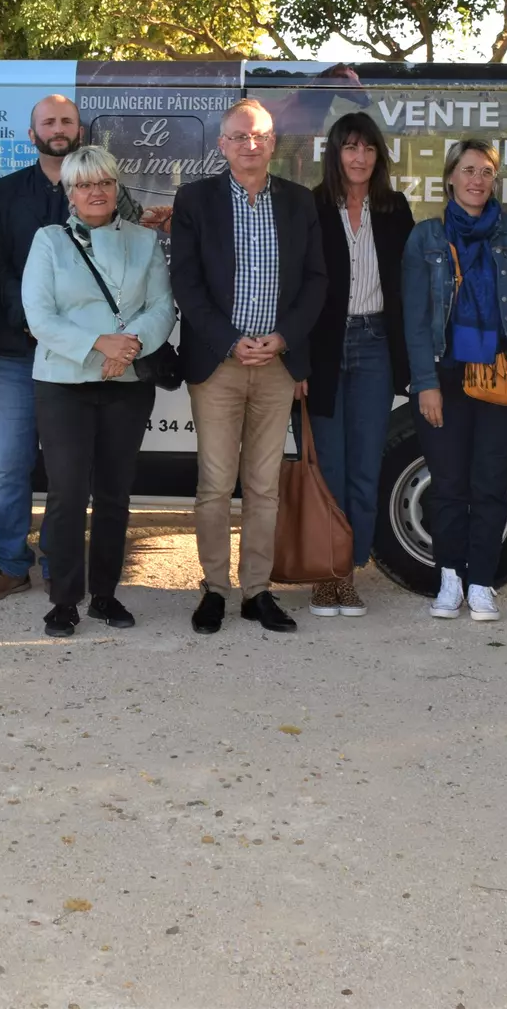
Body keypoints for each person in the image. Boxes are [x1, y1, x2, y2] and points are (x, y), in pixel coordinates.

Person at [0, 95, 159, 604]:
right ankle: (11, 564)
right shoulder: (6, 193)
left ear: (81, 130)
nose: (58, 128)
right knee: (10, 465)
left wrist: (109, 345)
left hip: (101, 361)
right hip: (18, 350)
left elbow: (132, 281)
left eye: (67, 121)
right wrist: (36, 326)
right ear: (31, 133)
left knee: (70, 477)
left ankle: (63, 566)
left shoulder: (111, 197)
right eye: (48, 122)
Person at [169, 97, 326, 635]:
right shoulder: (195, 200)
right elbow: (185, 283)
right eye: (239, 136)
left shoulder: (299, 202)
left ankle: (257, 591)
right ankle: (214, 588)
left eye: (259, 136)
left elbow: (315, 281)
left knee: (263, 486)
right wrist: (233, 341)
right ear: (222, 145)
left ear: (273, 143)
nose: (249, 145)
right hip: (220, 362)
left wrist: (282, 339)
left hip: (279, 363)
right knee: (215, 484)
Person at [21, 145, 175, 637]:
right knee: (67, 492)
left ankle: (105, 595)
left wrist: (125, 349)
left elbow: (162, 308)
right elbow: (40, 316)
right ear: (69, 191)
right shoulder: (48, 241)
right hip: (64, 383)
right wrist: (96, 345)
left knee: (114, 493)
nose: (95, 192)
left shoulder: (144, 241)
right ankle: (64, 599)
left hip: (126, 384)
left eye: (104, 182)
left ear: (116, 186)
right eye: (84, 184)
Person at [403, 139, 507, 623]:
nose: (476, 180)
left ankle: (482, 583)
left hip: (504, 375)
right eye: (468, 170)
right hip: (445, 375)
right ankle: (449, 580)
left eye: (486, 171)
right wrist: (424, 382)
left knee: (490, 484)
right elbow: (416, 320)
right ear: (450, 178)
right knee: (448, 484)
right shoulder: (425, 237)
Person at [305, 113, 413, 618]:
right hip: (324, 349)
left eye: (368, 148)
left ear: (379, 156)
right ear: (335, 153)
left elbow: (408, 291)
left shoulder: (395, 209)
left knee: (366, 467)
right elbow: (297, 289)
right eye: (350, 147)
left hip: (374, 345)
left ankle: (347, 572)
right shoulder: (311, 206)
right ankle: (326, 575)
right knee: (328, 467)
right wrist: (297, 361)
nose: (359, 157)